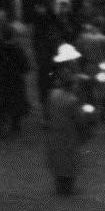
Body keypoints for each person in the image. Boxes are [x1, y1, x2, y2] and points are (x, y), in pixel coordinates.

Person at [45, 46, 87, 195]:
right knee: (69, 159)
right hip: (68, 133)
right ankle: (67, 187)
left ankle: (60, 184)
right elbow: (79, 119)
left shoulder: (53, 94)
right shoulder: (71, 99)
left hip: (56, 131)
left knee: (58, 158)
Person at [0, 23, 31, 138]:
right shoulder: (17, 49)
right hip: (14, 82)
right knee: (15, 107)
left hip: (0, 81)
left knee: (1, 107)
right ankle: (14, 128)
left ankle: (1, 129)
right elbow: (25, 66)